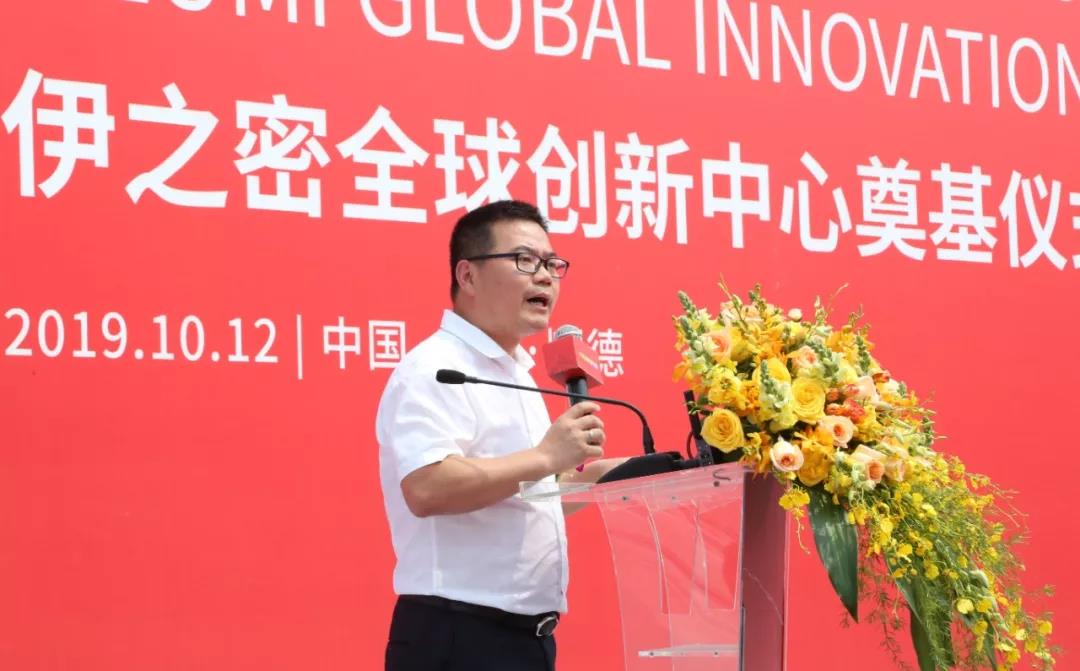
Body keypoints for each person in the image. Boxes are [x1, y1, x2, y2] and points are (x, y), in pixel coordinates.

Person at [376, 200, 625, 671]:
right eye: (524, 260)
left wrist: (611, 476)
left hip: (525, 640)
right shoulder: (435, 368)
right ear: (467, 275)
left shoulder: (514, 373)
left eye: (552, 264)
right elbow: (427, 487)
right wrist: (547, 456)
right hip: (457, 636)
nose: (545, 277)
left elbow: (524, 493)